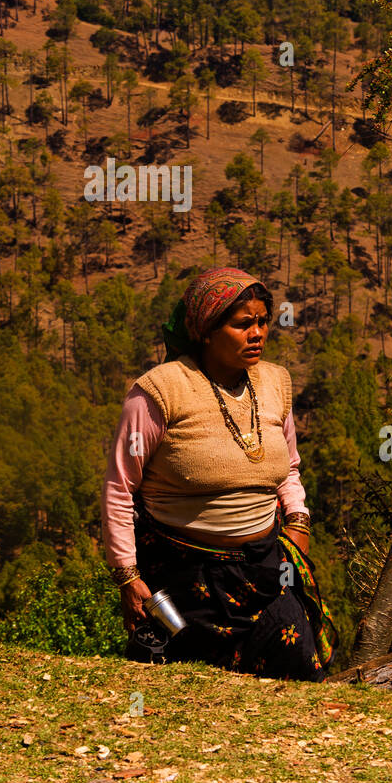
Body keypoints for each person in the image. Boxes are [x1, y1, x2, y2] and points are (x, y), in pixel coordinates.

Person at [101, 266, 337, 678]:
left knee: (296, 672)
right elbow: (120, 488)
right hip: (184, 576)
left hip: (266, 569)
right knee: (187, 687)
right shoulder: (159, 392)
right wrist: (128, 576)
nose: (258, 333)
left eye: (264, 322)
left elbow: (289, 467)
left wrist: (298, 522)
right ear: (207, 331)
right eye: (243, 324)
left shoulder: (274, 383)